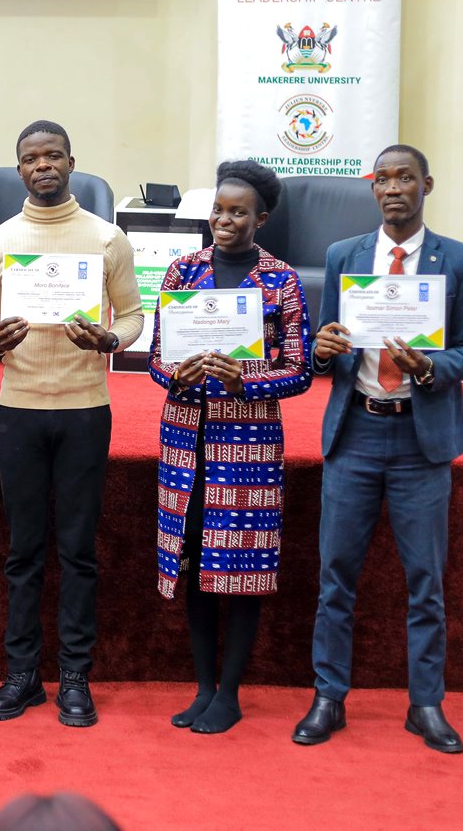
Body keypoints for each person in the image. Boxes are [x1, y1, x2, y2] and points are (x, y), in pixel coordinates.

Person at [292, 144, 463, 754]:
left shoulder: (458, 260)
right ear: (372, 188)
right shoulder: (343, 256)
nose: (394, 187)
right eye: (383, 178)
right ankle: (329, 697)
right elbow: (322, 350)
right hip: (355, 434)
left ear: (427, 184)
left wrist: (432, 367)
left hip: (419, 439)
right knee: (335, 577)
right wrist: (322, 348)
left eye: (406, 177)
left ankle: (425, 704)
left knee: (425, 581)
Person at [0, 121, 144, 728]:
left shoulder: (107, 239)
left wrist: (109, 339)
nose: (42, 165)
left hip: (83, 409)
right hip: (18, 407)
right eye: (31, 158)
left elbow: (132, 317)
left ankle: (75, 676)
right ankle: (22, 675)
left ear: (72, 161)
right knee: (23, 551)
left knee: (77, 551)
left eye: (53, 156)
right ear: (18, 168)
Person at [147, 160, 311, 734]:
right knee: (192, 558)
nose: (224, 219)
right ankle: (204, 688)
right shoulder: (181, 270)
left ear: (260, 218)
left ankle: (232, 693)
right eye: (219, 209)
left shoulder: (281, 280)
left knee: (242, 566)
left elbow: (300, 370)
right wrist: (176, 376)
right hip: (185, 438)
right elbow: (157, 359)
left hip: (249, 441)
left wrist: (248, 382)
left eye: (238, 212)